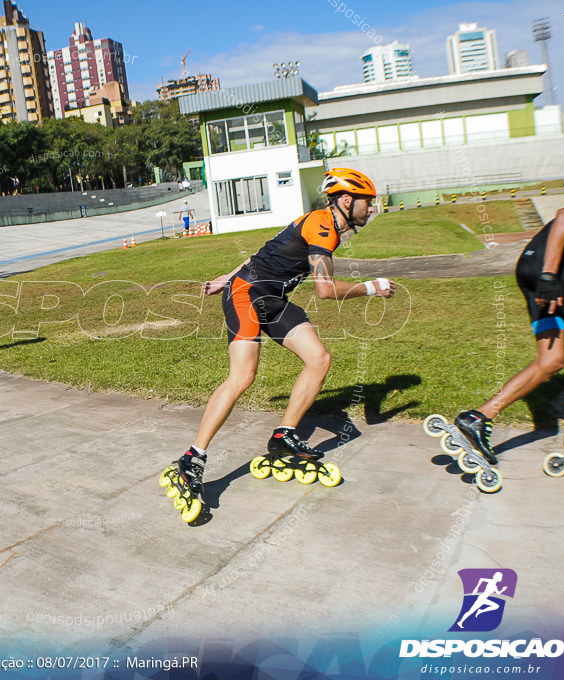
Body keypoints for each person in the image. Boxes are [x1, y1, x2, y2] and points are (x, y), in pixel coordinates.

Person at [169, 168, 396, 499]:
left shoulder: (325, 224)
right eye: (368, 202)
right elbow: (325, 289)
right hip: (247, 294)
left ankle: (283, 435)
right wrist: (373, 287)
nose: (371, 208)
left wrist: (223, 276)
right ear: (347, 200)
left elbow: (264, 250)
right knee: (242, 376)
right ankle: (192, 457)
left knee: (319, 358)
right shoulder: (322, 225)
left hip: (272, 300)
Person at [453, 194, 564, 462]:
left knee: (551, 360)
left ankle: (478, 418)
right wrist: (549, 275)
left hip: (532, 267)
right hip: (550, 270)